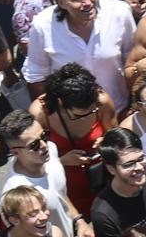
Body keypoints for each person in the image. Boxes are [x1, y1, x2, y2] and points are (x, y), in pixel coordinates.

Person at [23, 0, 138, 114]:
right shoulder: (42, 26)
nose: (88, 2)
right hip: (72, 119)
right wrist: (52, 117)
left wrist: (133, 103)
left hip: (119, 110)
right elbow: (36, 76)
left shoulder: (119, 12)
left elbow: (132, 60)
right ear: (61, 2)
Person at [29, 62, 119, 219]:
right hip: (64, 190)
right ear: (60, 103)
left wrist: (107, 142)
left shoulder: (102, 101)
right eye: (79, 114)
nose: (89, 115)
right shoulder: (40, 113)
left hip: (102, 184)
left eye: (92, 110)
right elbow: (29, 163)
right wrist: (60, 161)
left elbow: (117, 138)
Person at [0, 110, 92, 237]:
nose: (43, 145)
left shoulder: (51, 153)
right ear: (15, 152)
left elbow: (60, 193)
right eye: (34, 145)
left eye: (44, 136)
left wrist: (79, 221)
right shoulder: (16, 192)